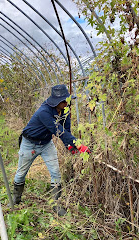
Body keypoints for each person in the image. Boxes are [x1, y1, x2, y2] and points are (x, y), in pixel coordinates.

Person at [13, 84, 90, 216]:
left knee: (55, 172)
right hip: (29, 143)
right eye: (64, 101)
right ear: (57, 102)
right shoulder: (44, 112)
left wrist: (69, 146)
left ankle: (56, 204)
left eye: (67, 100)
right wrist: (78, 145)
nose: (67, 103)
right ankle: (16, 199)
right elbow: (58, 131)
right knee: (21, 173)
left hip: (46, 144)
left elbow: (66, 130)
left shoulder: (65, 110)